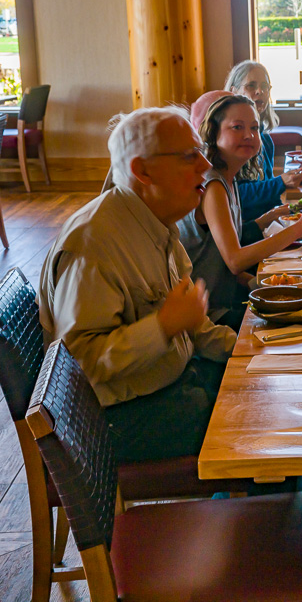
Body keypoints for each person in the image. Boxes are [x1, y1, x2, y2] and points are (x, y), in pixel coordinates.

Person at [39, 106, 237, 464]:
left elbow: (193, 324)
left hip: (170, 389)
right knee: (251, 424)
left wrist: (249, 353)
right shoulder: (94, 243)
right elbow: (79, 364)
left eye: (201, 154)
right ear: (142, 171)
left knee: (259, 391)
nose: (204, 167)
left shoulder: (157, 222)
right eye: (188, 157)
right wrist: (162, 326)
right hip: (119, 424)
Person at [179, 94, 302, 330]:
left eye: (254, 128)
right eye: (237, 127)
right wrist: (300, 227)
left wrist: (260, 283)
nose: (248, 135)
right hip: (209, 318)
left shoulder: (227, 179)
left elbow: (225, 264)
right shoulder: (213, 185)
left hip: (226, 301)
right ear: (213, 133)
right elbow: (234, 261)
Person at [206, 62, 302, 224]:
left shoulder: (265, 140)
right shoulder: (227, 143)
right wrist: (280, 182)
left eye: (265, 86)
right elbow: (236, 196)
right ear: (233, 91)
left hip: (266, 226)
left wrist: (288, 217)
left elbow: (268, 198)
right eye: (251, 85)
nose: (259, 91)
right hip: (243, 229)